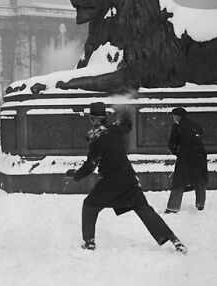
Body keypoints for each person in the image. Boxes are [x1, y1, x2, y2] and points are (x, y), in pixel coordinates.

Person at [65, 102, 187, 254]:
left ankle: (89, 243)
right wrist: (123, 110)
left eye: (91, 119)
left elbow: (90, 166)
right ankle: (174, 239)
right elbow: (127, 125)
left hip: (111, 182)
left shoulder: (97, 138)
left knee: (90, 205)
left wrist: (75, 175)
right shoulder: (115, 130)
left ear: (96, 120)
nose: (91, 122)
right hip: (129, 178)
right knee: (144, 209)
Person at [165, 107, 208, 213]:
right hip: (199, 156)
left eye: (173, 115)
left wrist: (177, 152)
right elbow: (200, 139)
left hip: (185, 156)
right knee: (199, 179)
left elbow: (172, 144)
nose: (173, 117)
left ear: (177, 116)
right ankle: (200, 204)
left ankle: (173, 207)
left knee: (179, 181)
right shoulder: (196, 125)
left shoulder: (177, 126)